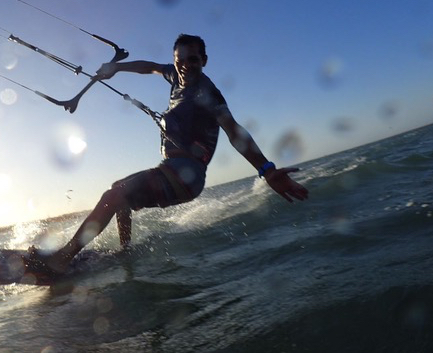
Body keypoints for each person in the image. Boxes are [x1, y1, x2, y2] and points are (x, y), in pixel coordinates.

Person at [39, 34, 308, 273]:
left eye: (193, 60)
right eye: (180, 60)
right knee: (117, 190)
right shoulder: (176, 76)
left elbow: (234, 131)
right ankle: (126, 252)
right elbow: (151, 67)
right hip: (170, 169)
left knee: (113, 196)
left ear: (204, 60)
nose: (185, 66)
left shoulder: (207, 92)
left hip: (186, 177)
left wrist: (268, 171)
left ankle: (63, 258)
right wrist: (117, 68)